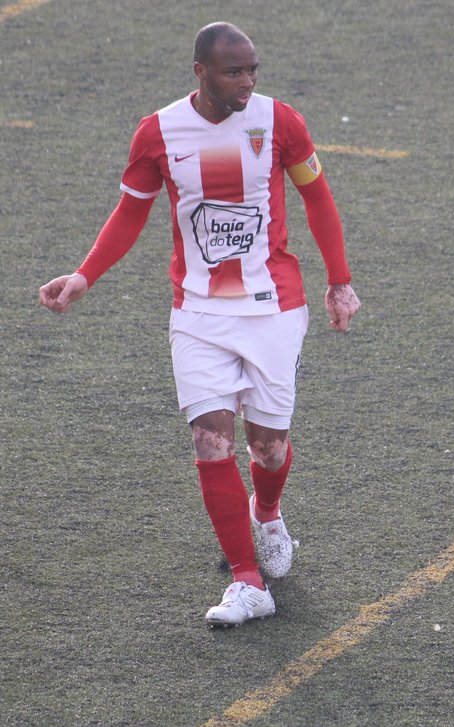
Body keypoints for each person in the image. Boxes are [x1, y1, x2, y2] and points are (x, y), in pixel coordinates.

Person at [39, 21, 361, 628]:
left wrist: (339, 281)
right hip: (197, 312)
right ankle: (247, 581)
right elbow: (130, 212)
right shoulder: (158, 132)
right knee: (211, 440)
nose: (248, 81)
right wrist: (85, 275)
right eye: (234, 71)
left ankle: (267, 513)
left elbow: (318, 198)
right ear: (201, 73)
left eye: (252, 70)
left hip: (272, 308)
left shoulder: (280, 122)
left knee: (268, 448)